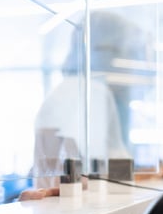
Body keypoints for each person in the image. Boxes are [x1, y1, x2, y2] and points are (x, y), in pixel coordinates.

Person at [28, 11, 146, 193]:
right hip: (70, 209)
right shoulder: (79, 94)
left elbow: (115, 164)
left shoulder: (101, 94)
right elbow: (62, 178)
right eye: (121, 50)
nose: (129, 60)